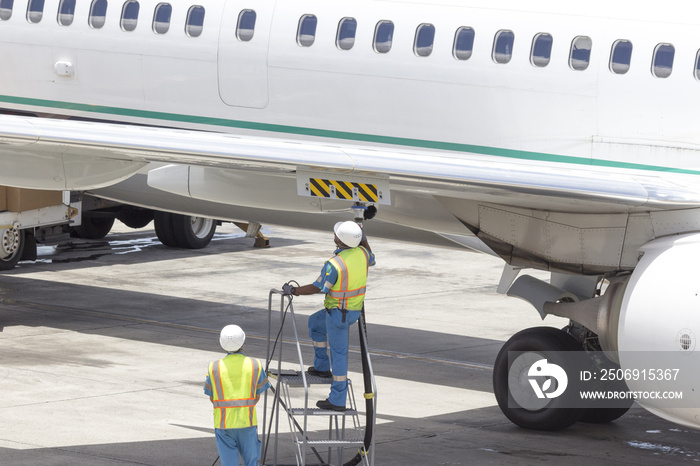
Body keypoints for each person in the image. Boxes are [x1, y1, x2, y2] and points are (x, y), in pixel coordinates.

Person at [282, 221, 375, 411]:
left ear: (339, 240)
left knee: (339, 355)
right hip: (349, 311)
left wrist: (293, 290)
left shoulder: (334, 265)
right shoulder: (363, 254)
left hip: (338, 315)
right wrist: (362, 237)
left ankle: (337, 399)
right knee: (314, 323)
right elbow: (371, 256)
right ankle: (322, 367)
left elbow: (317, 287)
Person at [204, 325, 270, 466]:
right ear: (243, 342)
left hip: (223, 424)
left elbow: (212, 397)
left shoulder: (214, 367)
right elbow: (257, 395)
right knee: (251, 462)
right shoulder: (255, 365)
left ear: (222, 343)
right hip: (247, 422)